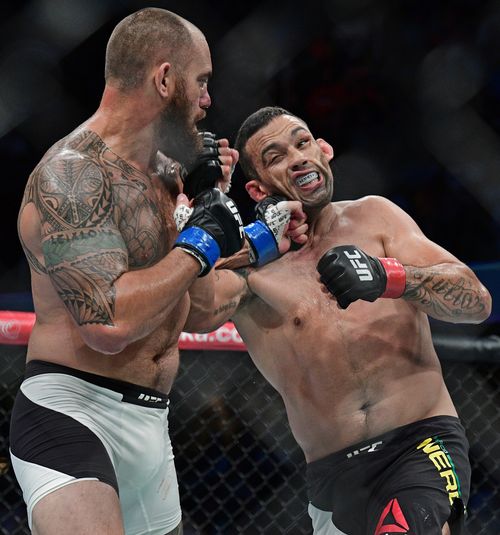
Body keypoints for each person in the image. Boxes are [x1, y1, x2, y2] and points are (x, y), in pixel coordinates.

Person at [9, 10, 305, 535]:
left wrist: (257, 241)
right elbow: (109, 323)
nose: (209, 100)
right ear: (165, 79)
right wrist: (201, 241)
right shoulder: (74, 175)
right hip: (74, 411)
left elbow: (204, 307)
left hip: (151, 419)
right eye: (202, 82)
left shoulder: (166, 177)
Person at [183, 106, 492, 535]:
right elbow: (192, 310)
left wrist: (390, 276)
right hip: (332, 479)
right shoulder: (252, 272)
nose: (297, 157)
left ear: (325, 151)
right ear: (256, 189)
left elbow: (476, 301)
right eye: (276, 156)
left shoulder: (375, 216)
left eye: (303, 142)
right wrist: (195, 203)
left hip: (421, 443)